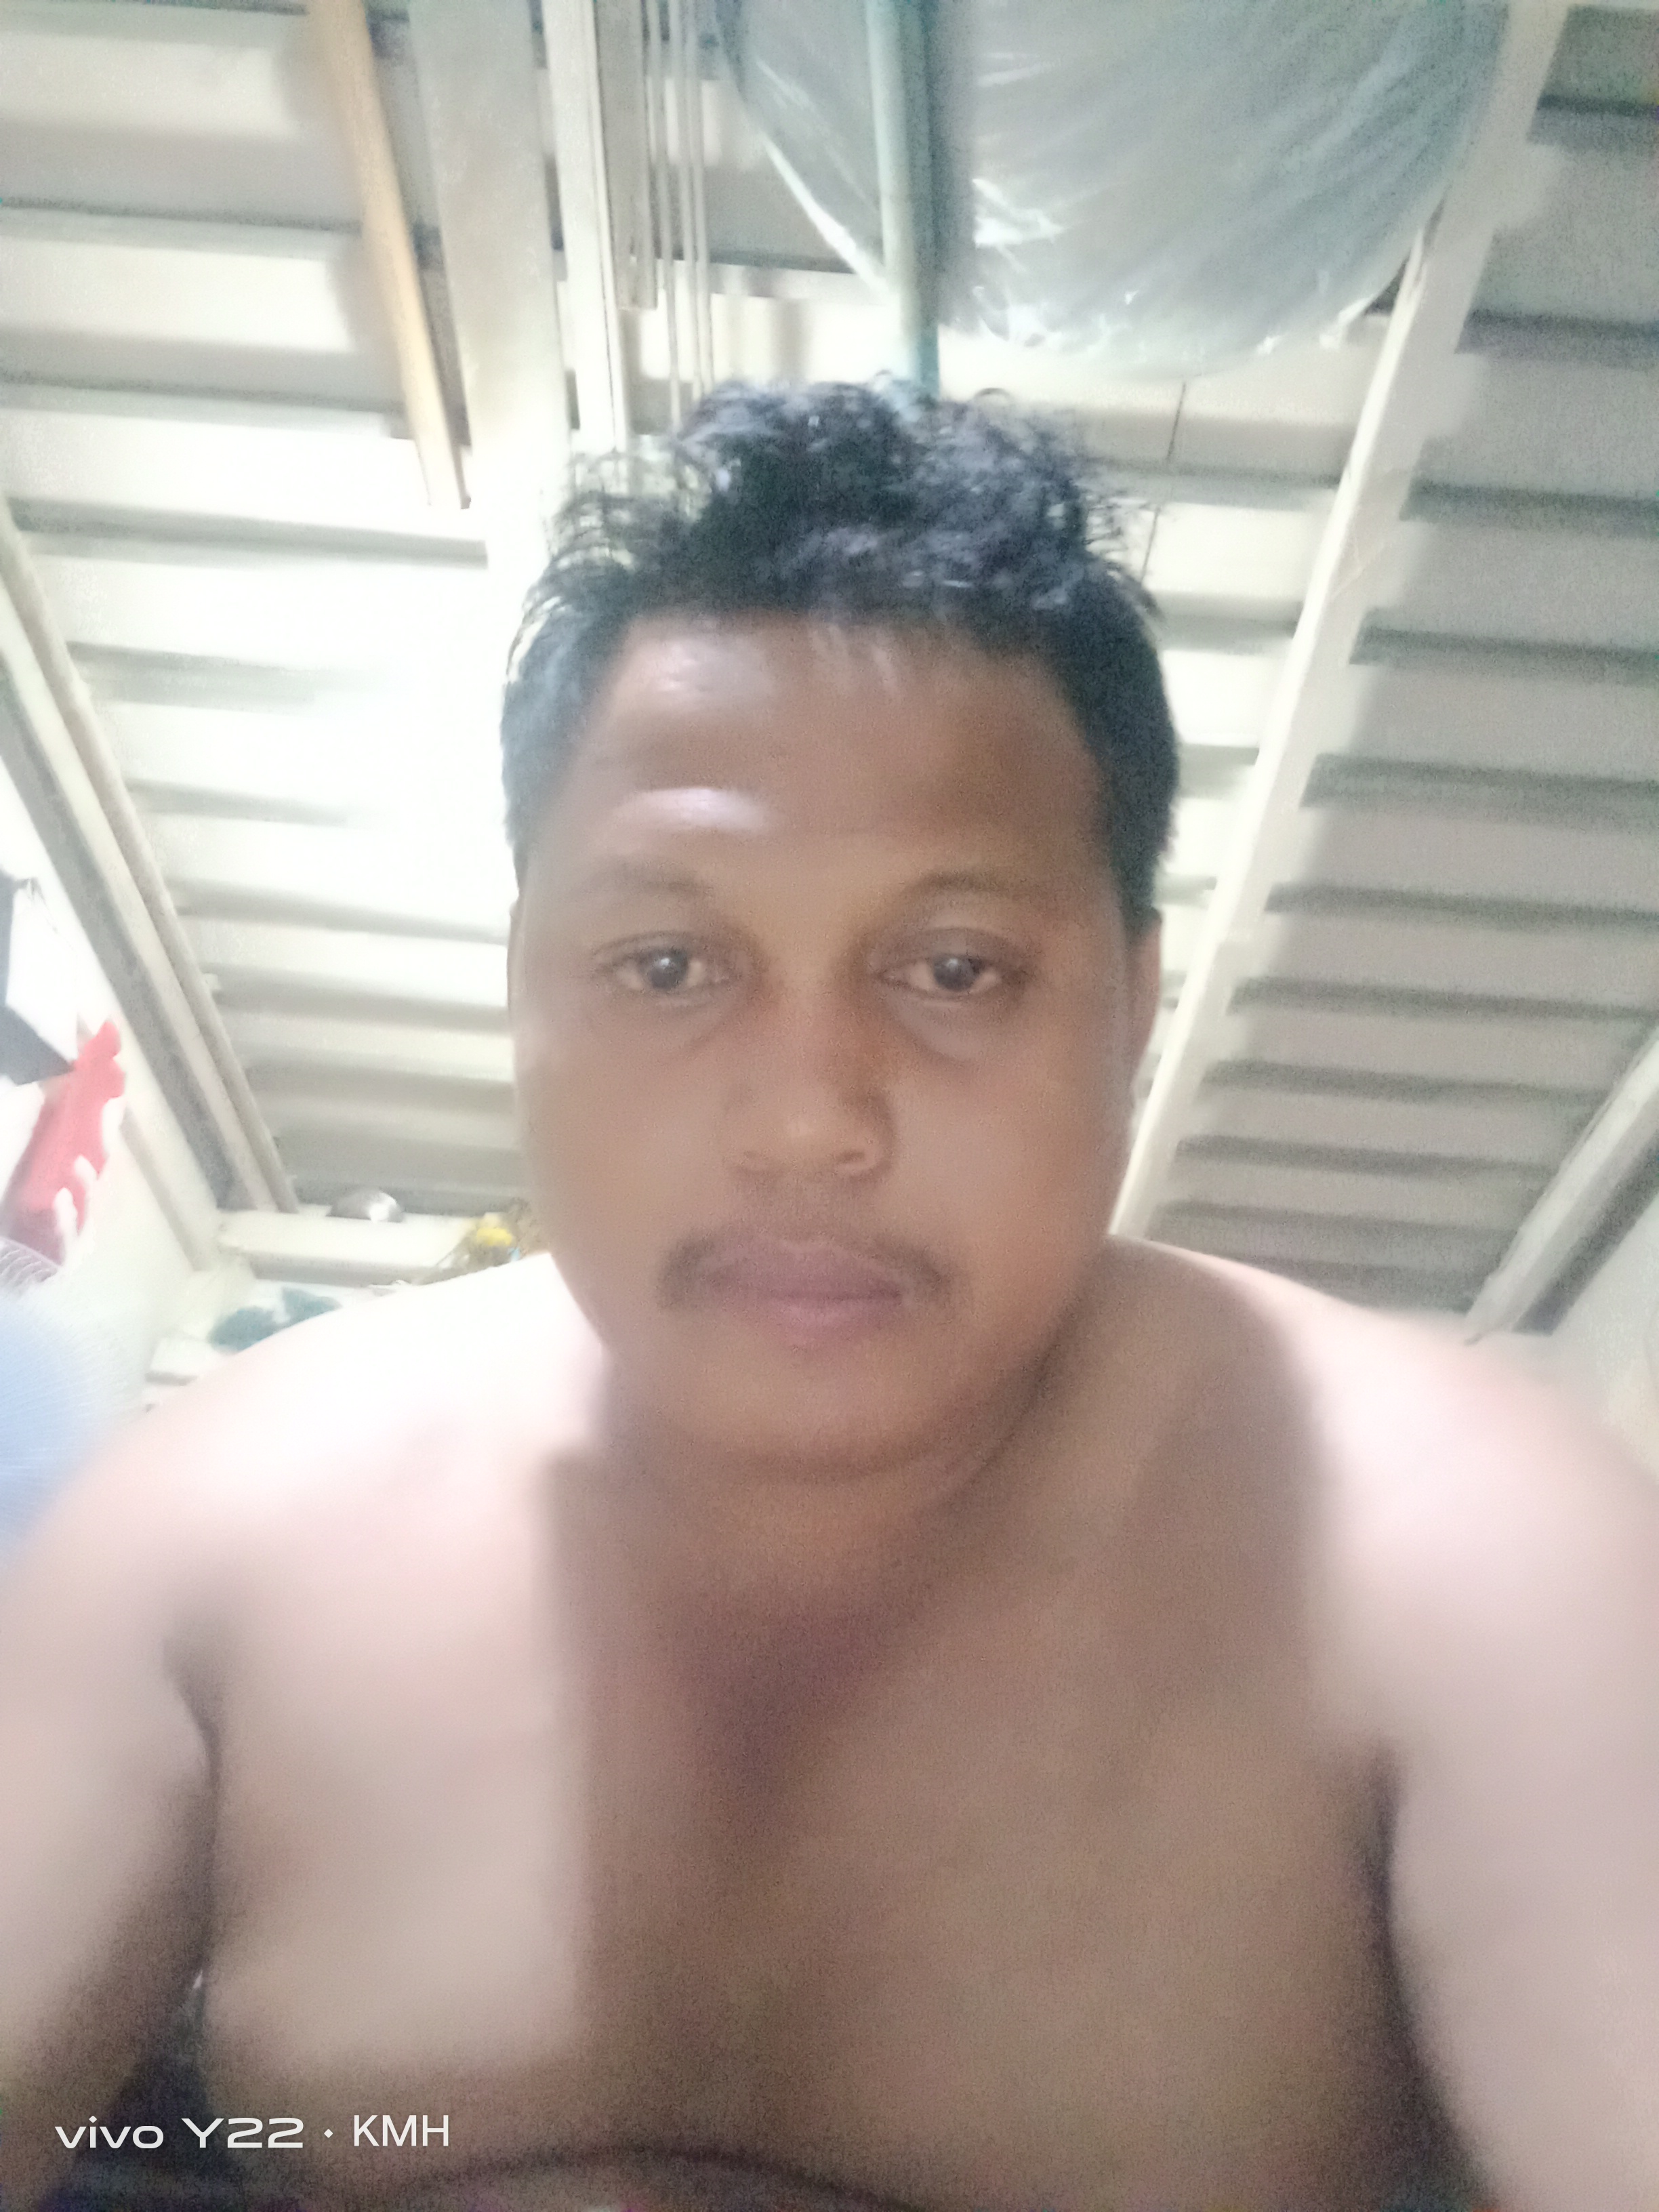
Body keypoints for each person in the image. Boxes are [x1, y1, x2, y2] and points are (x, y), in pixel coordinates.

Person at [1, 384, 1655, 2212]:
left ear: (1130, 1004)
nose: (807, 1122)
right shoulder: (220, 1523)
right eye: (667, 964)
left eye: (955, 969)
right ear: (524, 984)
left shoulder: (1465, 1547)